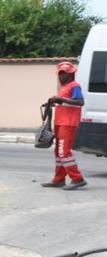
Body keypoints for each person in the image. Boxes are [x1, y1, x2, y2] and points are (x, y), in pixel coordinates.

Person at [41, 61, 87, 190]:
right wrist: (52, 103)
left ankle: (77, 178)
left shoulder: (74, 86)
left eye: (64, 74)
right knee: (59, 152)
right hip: (60, 123)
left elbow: (80, 102)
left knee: (63, 152)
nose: (61, 76)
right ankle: (59, 179)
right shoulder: (64, 88)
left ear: (71, 74)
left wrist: (61, 99)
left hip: (68, 123)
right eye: (60, 74)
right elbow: (66, 104)